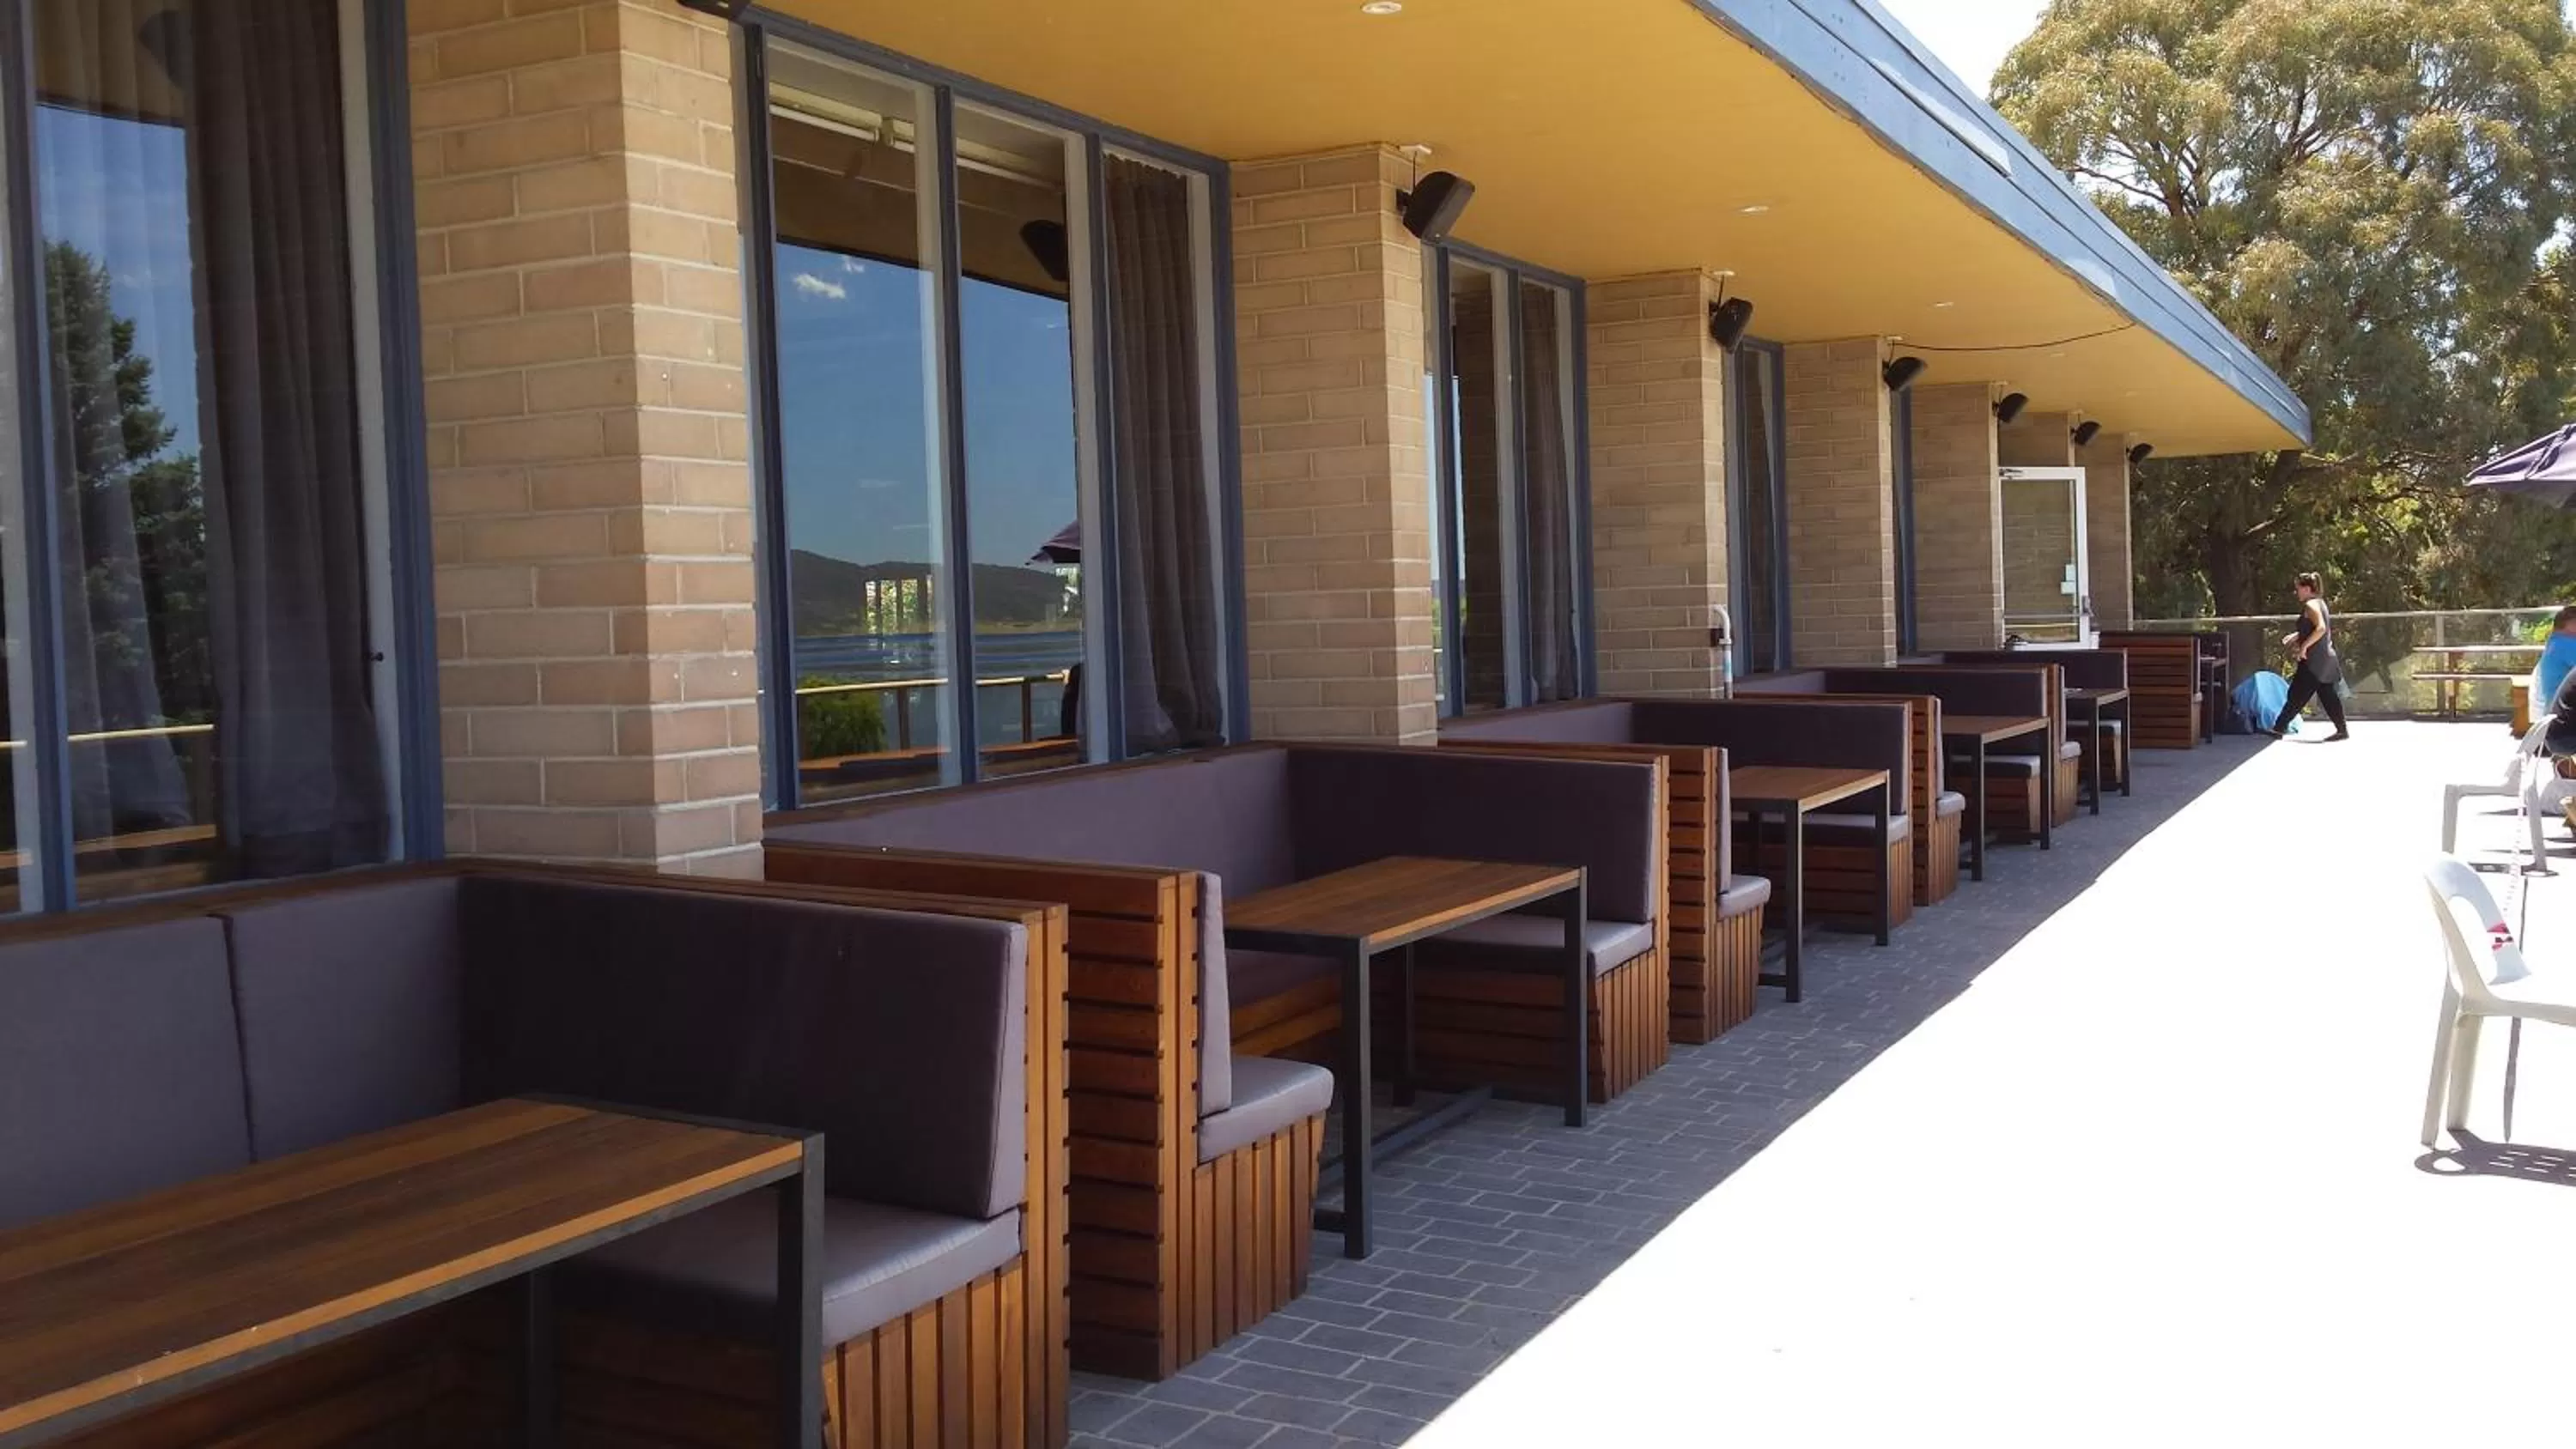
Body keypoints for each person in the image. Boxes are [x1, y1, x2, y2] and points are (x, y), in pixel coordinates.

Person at [2266, 572, 2349, 741]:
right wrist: (2296, 636)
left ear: (2306, 588)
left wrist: (2304, 646)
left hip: (2314, 660)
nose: (2296, 592)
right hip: (2324, 659)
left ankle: (2279, 728)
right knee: (2327, 695)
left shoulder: (2311, 605)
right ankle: (2342, 730)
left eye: (2298, 588)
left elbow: (2321, 628)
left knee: (2297, 694)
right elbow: (2311, 628)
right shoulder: (2319, 603)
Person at [2536, 604, 2576, 707]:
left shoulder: (2555, 642)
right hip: (2566, 709)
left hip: (2555, 706)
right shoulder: (2567, 644)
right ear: (2571, 624)